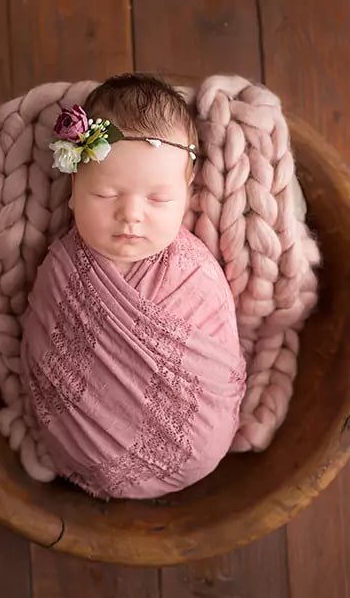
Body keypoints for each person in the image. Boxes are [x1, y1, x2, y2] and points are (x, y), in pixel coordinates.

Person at [20, 73, 247, 500]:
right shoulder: (62, 267)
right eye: (105, 194)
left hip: (197, 445)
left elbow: (220, 360)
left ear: (186, 195)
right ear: (73, 190)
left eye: (158, 199)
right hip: (80, 446)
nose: (131, 215)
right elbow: (41, 348)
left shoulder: (196, 272)